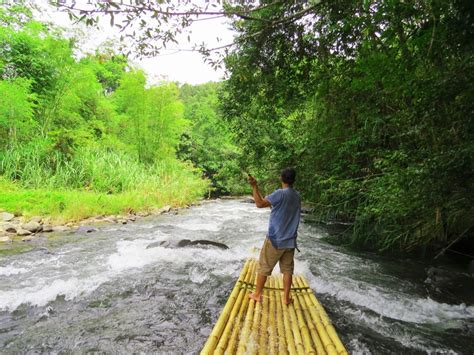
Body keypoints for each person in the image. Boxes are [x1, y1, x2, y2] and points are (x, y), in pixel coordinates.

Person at [247, 168, 301, 305]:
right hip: (290, 241)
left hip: (275, 239)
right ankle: (286, 298)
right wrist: (257, 188)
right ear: (293, 180)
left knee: (264, 266)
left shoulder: (279, 194)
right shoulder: (297, 195)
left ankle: (257, 294)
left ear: (281, 178)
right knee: (288, 270)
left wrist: (254, 186)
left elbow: (259, 204)